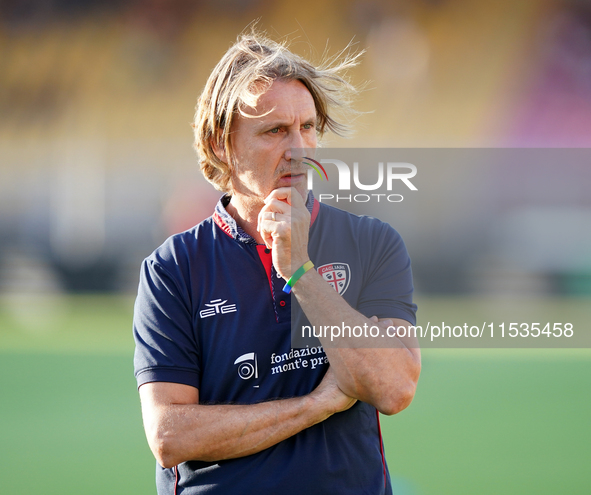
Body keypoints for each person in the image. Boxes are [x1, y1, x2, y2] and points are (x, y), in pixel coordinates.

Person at [133, 31, 420, 495]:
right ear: (221, 144)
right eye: (275, 131)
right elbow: (170, 436)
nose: (299, 149)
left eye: (307, 127)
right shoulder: (173, 269)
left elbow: (394, 388)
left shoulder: (371, 241)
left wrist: (302, 272)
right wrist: (317, 404)